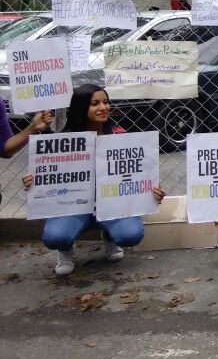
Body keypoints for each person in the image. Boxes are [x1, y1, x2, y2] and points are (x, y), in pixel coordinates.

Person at [21, 84, 163, 276]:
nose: (103, 108)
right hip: (73, 207)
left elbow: (139, 172)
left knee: (131, 235)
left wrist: (152, 189)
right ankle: (65, 248)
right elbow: (49, 180)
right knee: (56, 237)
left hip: (112, 205)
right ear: (81, 108)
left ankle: (110, 236)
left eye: (105, 102)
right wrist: (34, 182)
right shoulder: (63, 140)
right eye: (95, 103)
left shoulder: (120, 135)